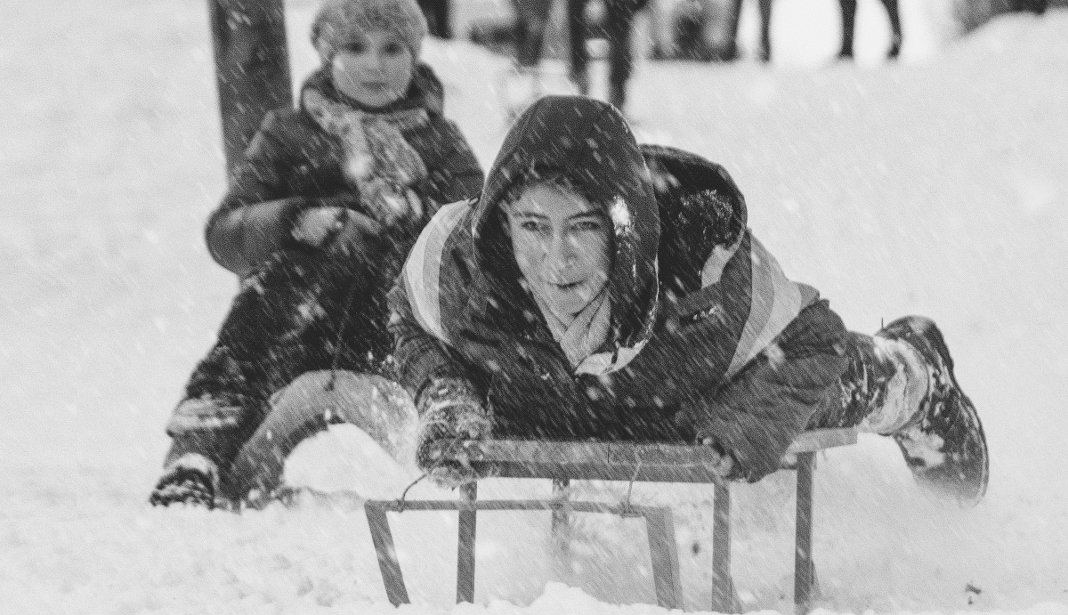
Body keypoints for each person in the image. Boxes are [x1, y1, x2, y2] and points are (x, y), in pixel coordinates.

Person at [388, 95, 989, 505]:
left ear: (621, 229)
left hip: (702, 385)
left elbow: (813, 338)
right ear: (502, 224)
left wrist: (746, 423)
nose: (557, 259)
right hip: (561, 396)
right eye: (533, 228)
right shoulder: (458, 264)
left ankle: (915, 375)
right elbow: (409, 318)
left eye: (584, 227)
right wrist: (446, 397)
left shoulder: (705, 276)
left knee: (836, 383)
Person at [150, 0, 484, 509]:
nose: (375, 64)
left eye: (392, 49)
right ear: (329, 54)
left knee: (438, 337)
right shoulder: (290, 131)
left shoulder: (439, 141)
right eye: (355, 47)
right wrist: (296, 218)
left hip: (391, 325)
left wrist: (415, 210)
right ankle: (200, 454)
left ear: (414, 56)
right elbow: (226, 232)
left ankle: (451, 448)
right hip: (298, 321)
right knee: (262, 315)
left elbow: (475, 238)